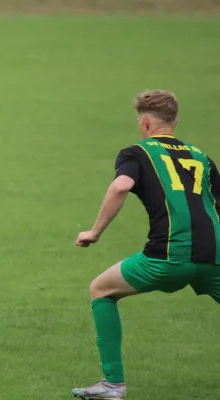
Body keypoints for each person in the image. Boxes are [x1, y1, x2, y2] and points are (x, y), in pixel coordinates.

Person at [72, 90, 220, 399]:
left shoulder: (136, 153)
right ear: (174, 122)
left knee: (101, 289)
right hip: (214, 257)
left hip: (166, 257)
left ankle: (113, 384)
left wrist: (95, 232)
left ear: (144, 122)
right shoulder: (202, 158)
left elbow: (121, 185)